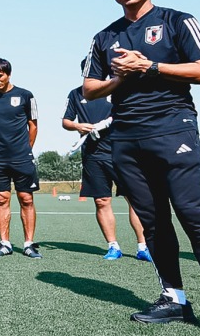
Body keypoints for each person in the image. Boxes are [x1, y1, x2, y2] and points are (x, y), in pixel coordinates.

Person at [84, 0, 200, 336]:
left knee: (194, 216)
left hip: (173, 129)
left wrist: (151, 67)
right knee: (152, 221)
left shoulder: (177, 21)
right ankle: (174, 297)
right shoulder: (104, 37)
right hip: (126, 136)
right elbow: (89, 89)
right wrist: (119, 77)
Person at [62, 68, 148, 261]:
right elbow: (66, 121)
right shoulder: (76, 94)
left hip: (123, 151)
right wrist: (78, 126)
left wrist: (107, 123)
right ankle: (113, 246)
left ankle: (143, 246)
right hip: (93, 155)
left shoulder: (118, 88)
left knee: (135, 199)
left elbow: (132, 112)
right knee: (101, 201)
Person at [0, 58, 41, 258]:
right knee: (1, 199)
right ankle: (4, 243)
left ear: (9, 74)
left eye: (0, 76)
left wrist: (26, 149)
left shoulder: (25, 95)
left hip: (22, 157)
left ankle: (28, 244)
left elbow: (33, 126)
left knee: (26, 198)